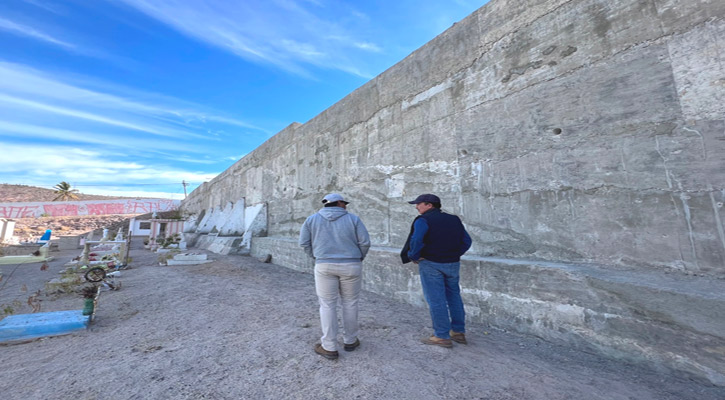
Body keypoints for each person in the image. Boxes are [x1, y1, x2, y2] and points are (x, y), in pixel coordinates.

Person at [299, 193, 371, 360]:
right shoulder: (353, 219)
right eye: (344, 203)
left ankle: (329, 346)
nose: (346, 205)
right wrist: (358, 257)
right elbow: (365, 242)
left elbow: (304, 243)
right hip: (351, 264)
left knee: (327, 305)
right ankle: (351, 340)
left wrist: (317, 257)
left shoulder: (311, 220)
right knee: (350, 303)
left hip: (324, 265)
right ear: (339, 203)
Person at [401, 194, 472, 348]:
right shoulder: (454, 219)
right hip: (452, 263)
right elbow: (467, 241)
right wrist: (455, 253)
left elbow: (416, 240)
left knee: (436, 299)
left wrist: (414, 256)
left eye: (419, 204)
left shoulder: (423, 220)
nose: (416, 207)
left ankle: (441, 335)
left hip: (431, 263)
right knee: (454, 296)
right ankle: (458, 332)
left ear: (429, 205)